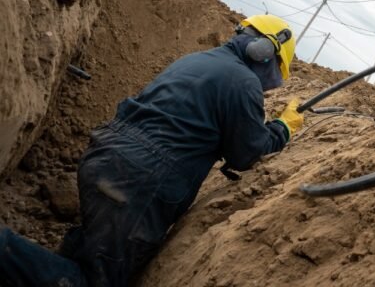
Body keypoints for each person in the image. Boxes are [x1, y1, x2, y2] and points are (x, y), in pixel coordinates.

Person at [0, 14, 304, 287]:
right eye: (276, 70)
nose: (271, 83)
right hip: (140, 180)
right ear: (265, 51)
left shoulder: (199, 60)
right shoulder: (243, 81)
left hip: (107, 154)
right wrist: (283, 127)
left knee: (93, 245)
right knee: (96, 280)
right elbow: (247, 153)